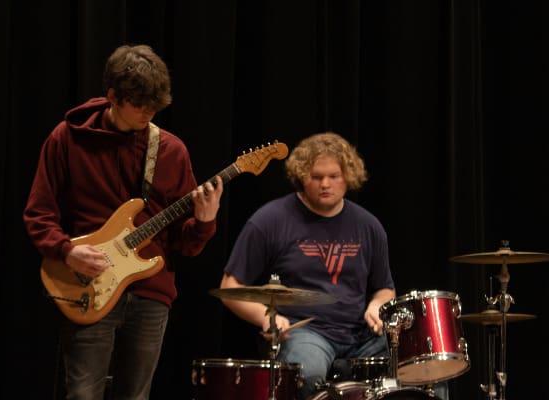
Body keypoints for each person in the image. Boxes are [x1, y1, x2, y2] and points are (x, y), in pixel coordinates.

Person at [24, 44, 223, 400]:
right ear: (113, 96)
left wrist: (205, 223)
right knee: (83, 394)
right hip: (89, 285)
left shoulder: (170, 150)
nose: (148, 113)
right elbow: (39, 213)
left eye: (154, 106)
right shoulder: (67, 138)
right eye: (139, 105)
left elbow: (185, 243)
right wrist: (67, 251)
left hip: (150, 292)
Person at [218, 132, 395, 399]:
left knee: (425, 367)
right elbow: (230, 287)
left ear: (348, 176)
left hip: (361, 336)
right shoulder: (270, 220)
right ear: (302, 176)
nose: (325, 184)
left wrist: (376, 305)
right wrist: (268, 317)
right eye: (316, 177)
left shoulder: (369, 226)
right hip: (305, 332)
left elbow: (384, 289)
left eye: (334, 176)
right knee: (308, 375)